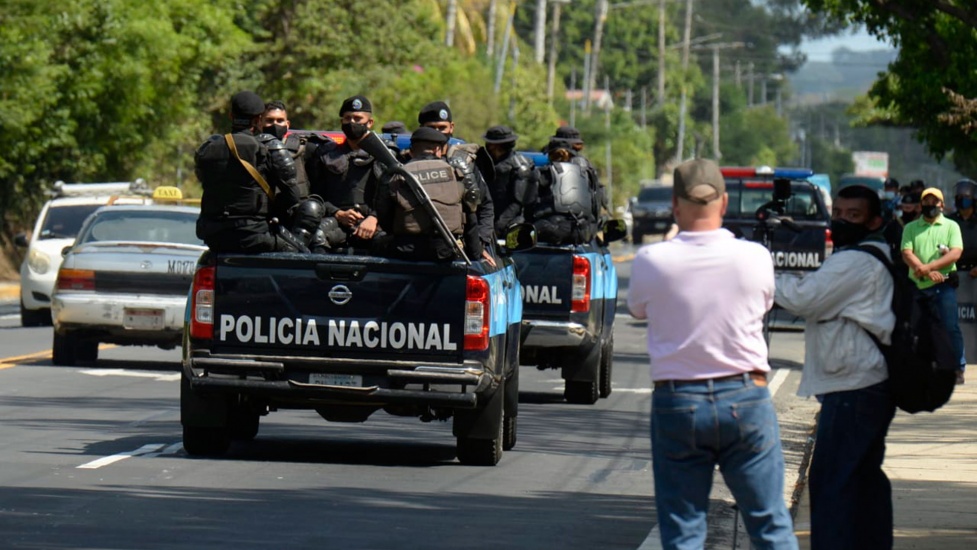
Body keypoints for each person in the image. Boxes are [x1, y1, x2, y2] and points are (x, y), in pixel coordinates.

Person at [627, 158, 797, 550]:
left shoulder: (653, 260)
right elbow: (766, 302)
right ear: (722, 203)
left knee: (684, 531)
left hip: (679, 400)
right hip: (746, 395)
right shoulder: (755, 256)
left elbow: (638, 308)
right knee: (771, 525)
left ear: (675, 204)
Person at [775, 184, 896, 550]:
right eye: (838, 213)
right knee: (862, 481)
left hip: (854, 388)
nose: (842, 220)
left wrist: (757, 272)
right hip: (864, 384)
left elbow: (804, 298)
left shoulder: (856, 261)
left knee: (832, 486)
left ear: (874, 221)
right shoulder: (863, 255)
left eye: (853, 215)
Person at [194, 91, 304, 253]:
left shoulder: (208, 148)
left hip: (215, 236)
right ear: (258, 119)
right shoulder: (268, 148)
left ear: (231, 116)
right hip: (254, 236)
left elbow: (203, 180)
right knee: (302, 254)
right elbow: (292, 197)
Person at [375, 126, 477, 261]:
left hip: (405, 251)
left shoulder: (396, 175)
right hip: (445, 252)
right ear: (437, 149)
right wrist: (476, 254)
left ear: (411, 151)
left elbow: (384, 216)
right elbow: (470, 218)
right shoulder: (455, 172)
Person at [418, 101, 496, 265]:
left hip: (460, 249)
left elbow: (485, 207)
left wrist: (479, 243)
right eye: (432, 128)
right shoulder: (409, 163)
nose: (437, 133)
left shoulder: (465, 162)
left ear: (451, 127)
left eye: (442, 128)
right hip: (417, 247)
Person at [901, 187, 966, 383]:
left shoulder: (951, 226)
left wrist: (928, 267)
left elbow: (955, 253)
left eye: (934, 202)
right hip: (918, 284)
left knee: (949, 326)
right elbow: (907, 252)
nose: (931, 205)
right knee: (914, 328)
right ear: (921, 205)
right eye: (927, 202)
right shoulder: (911, 228)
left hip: (944, 284)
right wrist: (924, 270)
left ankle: (957, 367)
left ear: (942, 205)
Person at [306, 95, 382, 248]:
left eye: (357, 118)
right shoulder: (325, 154)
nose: (352, 122)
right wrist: (338, 213)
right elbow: (315, 195)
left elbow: (393, 196)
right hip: (337, 221)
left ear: (370, 122)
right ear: (341, 122)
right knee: (316, 236)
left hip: (373, 223)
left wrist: (374, 218)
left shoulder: (384, 154)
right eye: (347, 118)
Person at [483, 125, 536, 235]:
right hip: (487, 221)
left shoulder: (519, 167)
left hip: (510, 225)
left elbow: (517, 204)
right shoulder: (485, 163)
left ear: (496, 146)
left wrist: (498, 226)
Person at [882, 192, 920, 268]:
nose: (906, 211)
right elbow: (885, 242)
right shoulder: (895, 224)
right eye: (904, 208)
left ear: (918, 208)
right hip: (899, 265)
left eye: (909, 208)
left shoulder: (923, 224)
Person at [948, 178, 977, 279]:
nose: (962, 198)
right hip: (953, 274)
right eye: (959, 196)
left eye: (966, 196)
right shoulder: (948, 221)